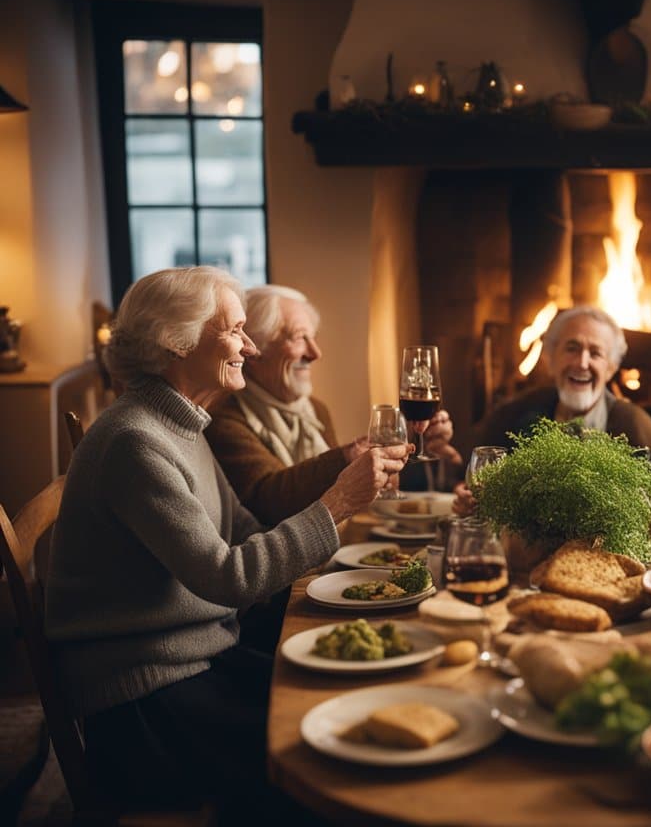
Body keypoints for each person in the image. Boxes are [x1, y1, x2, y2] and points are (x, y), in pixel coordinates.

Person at [43, 267, 409, 819]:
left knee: (337, 697)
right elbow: (228, 578)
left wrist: (344, 555)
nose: (250, 346)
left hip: (199, 658)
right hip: (145, 706)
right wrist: (338, 503)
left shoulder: (179, 425)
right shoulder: (135, 441)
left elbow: (243, 531)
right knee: (329, 748)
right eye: (236, 330)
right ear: (176, 339)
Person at [206, 285, 460, 526]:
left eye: (313, 337)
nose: (315, 353)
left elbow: (348, 491)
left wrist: (417, 448)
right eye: (298, 338)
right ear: (254, 352)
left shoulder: (314, 410)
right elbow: (267, 498)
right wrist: (348, 457)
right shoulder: (224, 418)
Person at [454, 306, 651, 513]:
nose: (582, 363)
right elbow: (471, 478)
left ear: (611, 368)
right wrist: (468, 498)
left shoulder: (637, 428)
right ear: (550, 358)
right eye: (572, 349)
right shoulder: (511, 415)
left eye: (595, 353)